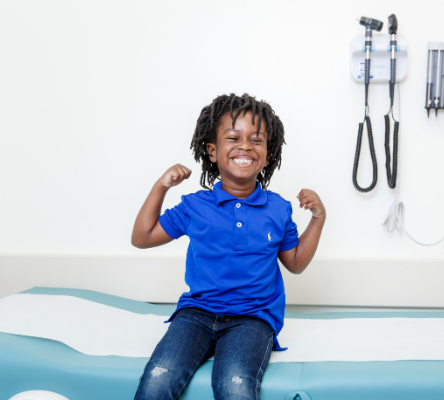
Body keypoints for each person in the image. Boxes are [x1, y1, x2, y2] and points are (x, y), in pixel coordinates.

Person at [131, 93, 325, 400]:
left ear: (269, 154)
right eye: (233, 137)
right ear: (212, 150)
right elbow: (142, 238)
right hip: (195, 314)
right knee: (159, 378)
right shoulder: (194, 206)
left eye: (256, 140)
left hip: (252, 319)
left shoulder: (278, 208)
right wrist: (161, 186)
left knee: (234, 384)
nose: (245, 145)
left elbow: (296, 263)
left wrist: (318, 217)